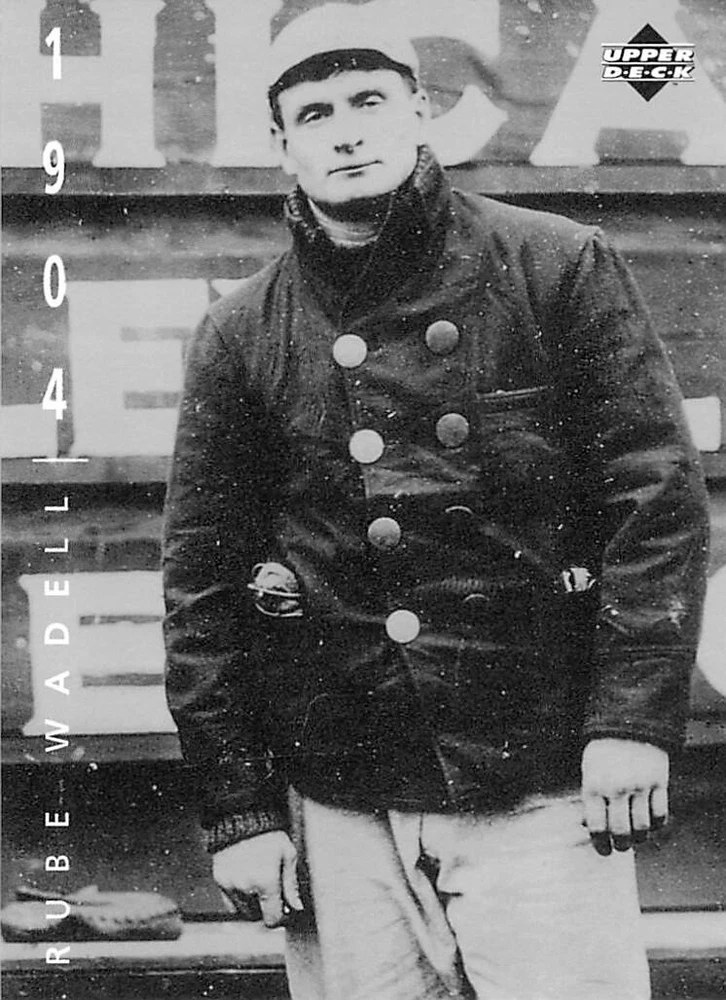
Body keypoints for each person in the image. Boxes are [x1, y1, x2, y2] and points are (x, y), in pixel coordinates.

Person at [162, 5, 710, 998]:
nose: (347, 131)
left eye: (369, 99)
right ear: (282, 144)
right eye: (316, 113)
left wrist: (631, 721)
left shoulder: (553, 264)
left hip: (539, 779)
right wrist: (240, 810)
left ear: (419, 111)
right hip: (344, 799)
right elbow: (202, 585)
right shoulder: (240, 332)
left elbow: (655, 501)